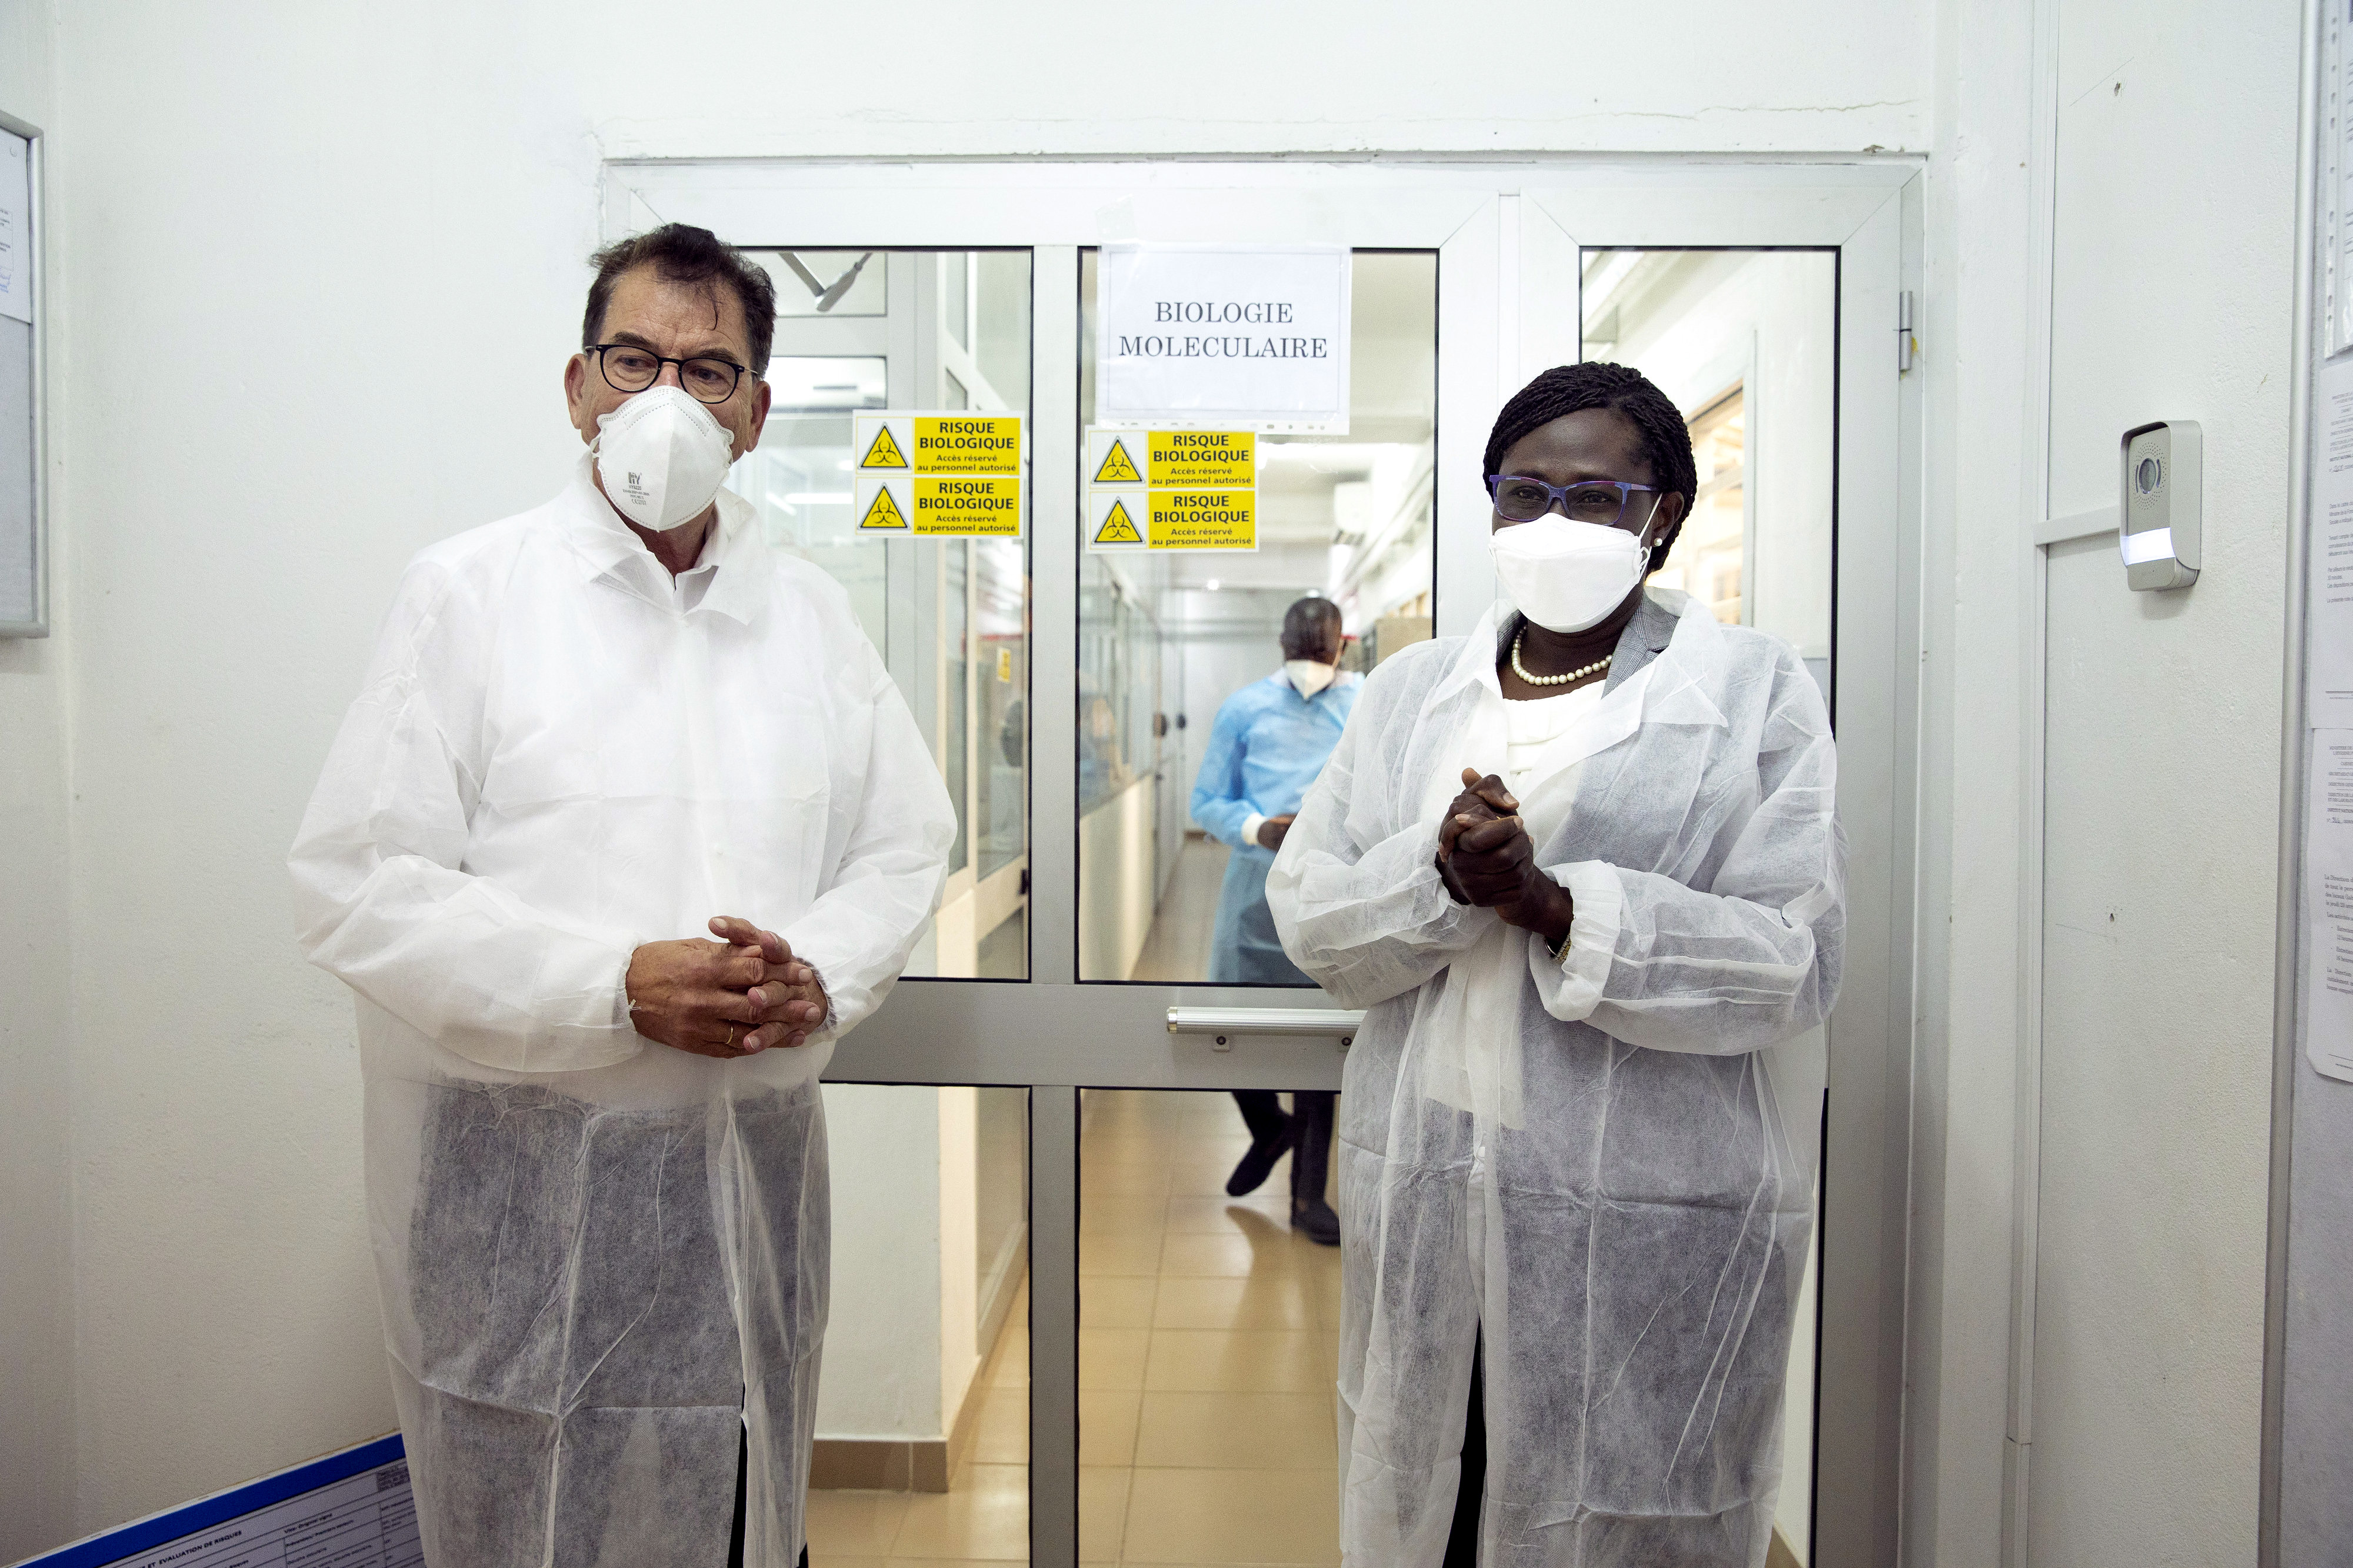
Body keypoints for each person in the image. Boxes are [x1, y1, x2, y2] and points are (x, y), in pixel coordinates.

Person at [289, 224, 954, 1568]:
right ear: (578, 386)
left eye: (707, 370)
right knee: (530, 1506)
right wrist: (612, 985)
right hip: (521, 1177)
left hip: (747, 1179)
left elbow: (902, 838)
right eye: (632, 357)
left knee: (732, 1499)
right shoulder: (470, 596)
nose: (663, 398)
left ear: (758, 413)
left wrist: (817, 964)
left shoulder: (810, 614)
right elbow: (359, 879)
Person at [1267, 362, 1844, 1567]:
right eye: (1522, 492)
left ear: (1662, 515)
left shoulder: (1746, 693)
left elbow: (1790, 960)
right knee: (1439, 1497)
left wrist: (1549, 902)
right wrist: (1437, 879)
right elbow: (1315, 917)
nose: (1551, 524)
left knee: (1630, 1504)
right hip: (1428, 1201)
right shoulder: (1411, 697)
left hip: (1650, 1221)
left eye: (1592, 495)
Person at [1189, 595, 1359, 1244]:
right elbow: (1205, 799)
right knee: (1228, 1025)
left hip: (1332, 891)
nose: (1311, 658)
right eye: (1300, 644)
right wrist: (1259, 827)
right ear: (1280, 640)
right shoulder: (1244, 709)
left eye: (1322, 646)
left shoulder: (1368, 703)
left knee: (1320, 1046)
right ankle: (1269, 1128)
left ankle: (1307, 1197)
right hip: (1253, 891)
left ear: (1342, 643)